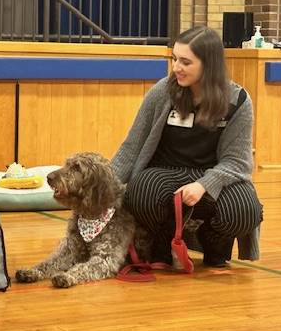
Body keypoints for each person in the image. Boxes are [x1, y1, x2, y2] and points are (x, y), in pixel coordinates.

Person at [111, 26, 263, 268]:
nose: (176, 68)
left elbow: (238, 163)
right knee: (141, 191)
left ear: (208, 65)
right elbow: (131, 148)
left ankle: (213, 244)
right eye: (174, 59)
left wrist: (204, 185)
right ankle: (161, 243)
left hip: (214, 176)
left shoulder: (239, 101)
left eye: (185, 62)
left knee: (244, 209)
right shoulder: (162, 91)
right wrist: (103, 191)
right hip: (165, 172)